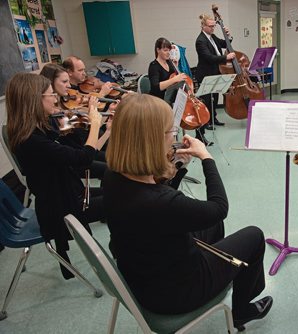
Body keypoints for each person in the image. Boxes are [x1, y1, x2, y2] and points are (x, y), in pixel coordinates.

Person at [103, 94, 273, 331]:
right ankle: (241, 310)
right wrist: (207, 157)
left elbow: (162, 209)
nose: (173, 135)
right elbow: (219, 208)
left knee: (210, 225)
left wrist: (178, 168)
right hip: (175, 294)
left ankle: (217, 268)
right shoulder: (162, 202)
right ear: (151, 140)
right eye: (169, 131)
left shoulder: (114, 176)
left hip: (141, 272)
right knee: (254, 236)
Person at [5, 73, 108, 279]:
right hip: (63, 207)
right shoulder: (32, 141)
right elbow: (84, 157)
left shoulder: (40, 129)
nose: (55, 99)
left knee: (118, 187)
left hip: (69, 193)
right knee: (126, 200)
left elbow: (75, 147)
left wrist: (78, 122)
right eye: (51, 94)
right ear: (35, 100)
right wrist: (96, 123)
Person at [39, 63, 110, 180]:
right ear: (51, 82)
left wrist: (105, 120)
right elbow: (85, 128)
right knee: (111, 169)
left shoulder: (63, 108)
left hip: (84, 151)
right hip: (76, 158)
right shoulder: (53, 116)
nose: (69, 86)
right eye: (64, 82)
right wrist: (93, 111)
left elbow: (85, 125)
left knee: (116, 162)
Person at [195, 14, 236, 131]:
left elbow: (224, 44)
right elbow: (209, 57)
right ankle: (206, 122)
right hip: (205, 74)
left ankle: (214, 119)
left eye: (214, 26)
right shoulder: (200, 41)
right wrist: (226, 57)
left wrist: (228, 36)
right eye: (210, 26)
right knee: (207, 99)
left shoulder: (212, 37)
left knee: (215, 96)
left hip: (215, 71)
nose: (213, 28)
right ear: (203, 26)